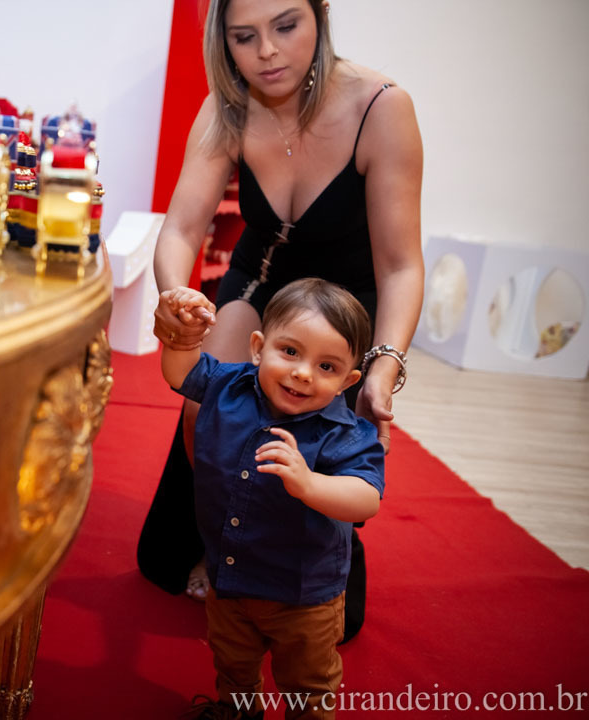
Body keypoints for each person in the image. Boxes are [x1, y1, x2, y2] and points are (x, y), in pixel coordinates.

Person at [136, 0, 423, 643]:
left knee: (318, 446)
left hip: (343, 312)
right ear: (225, 42)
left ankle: (299, 570)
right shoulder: (227, 107)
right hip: (258, 289)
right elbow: (182, 226)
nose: (266, 51)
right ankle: (219, 537)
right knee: (207, 397)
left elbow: (402, 266)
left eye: (285, 26)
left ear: (320, 17)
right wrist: (176, 299)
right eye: (244, 36)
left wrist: (383, 366)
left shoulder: (382, 107)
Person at [162, 278, 384, 720]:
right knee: (232, 662)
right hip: (229, 579)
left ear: (348, 380)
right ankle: (237, 708)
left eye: (327, 367)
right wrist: (182, 336)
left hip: (303, 595)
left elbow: (366, 498)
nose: (303, 372)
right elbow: (181, 373)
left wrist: (310, 484)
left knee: (308, 683)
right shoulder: (228, 386)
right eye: (290, 352)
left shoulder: (345, 434)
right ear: (258, 347)